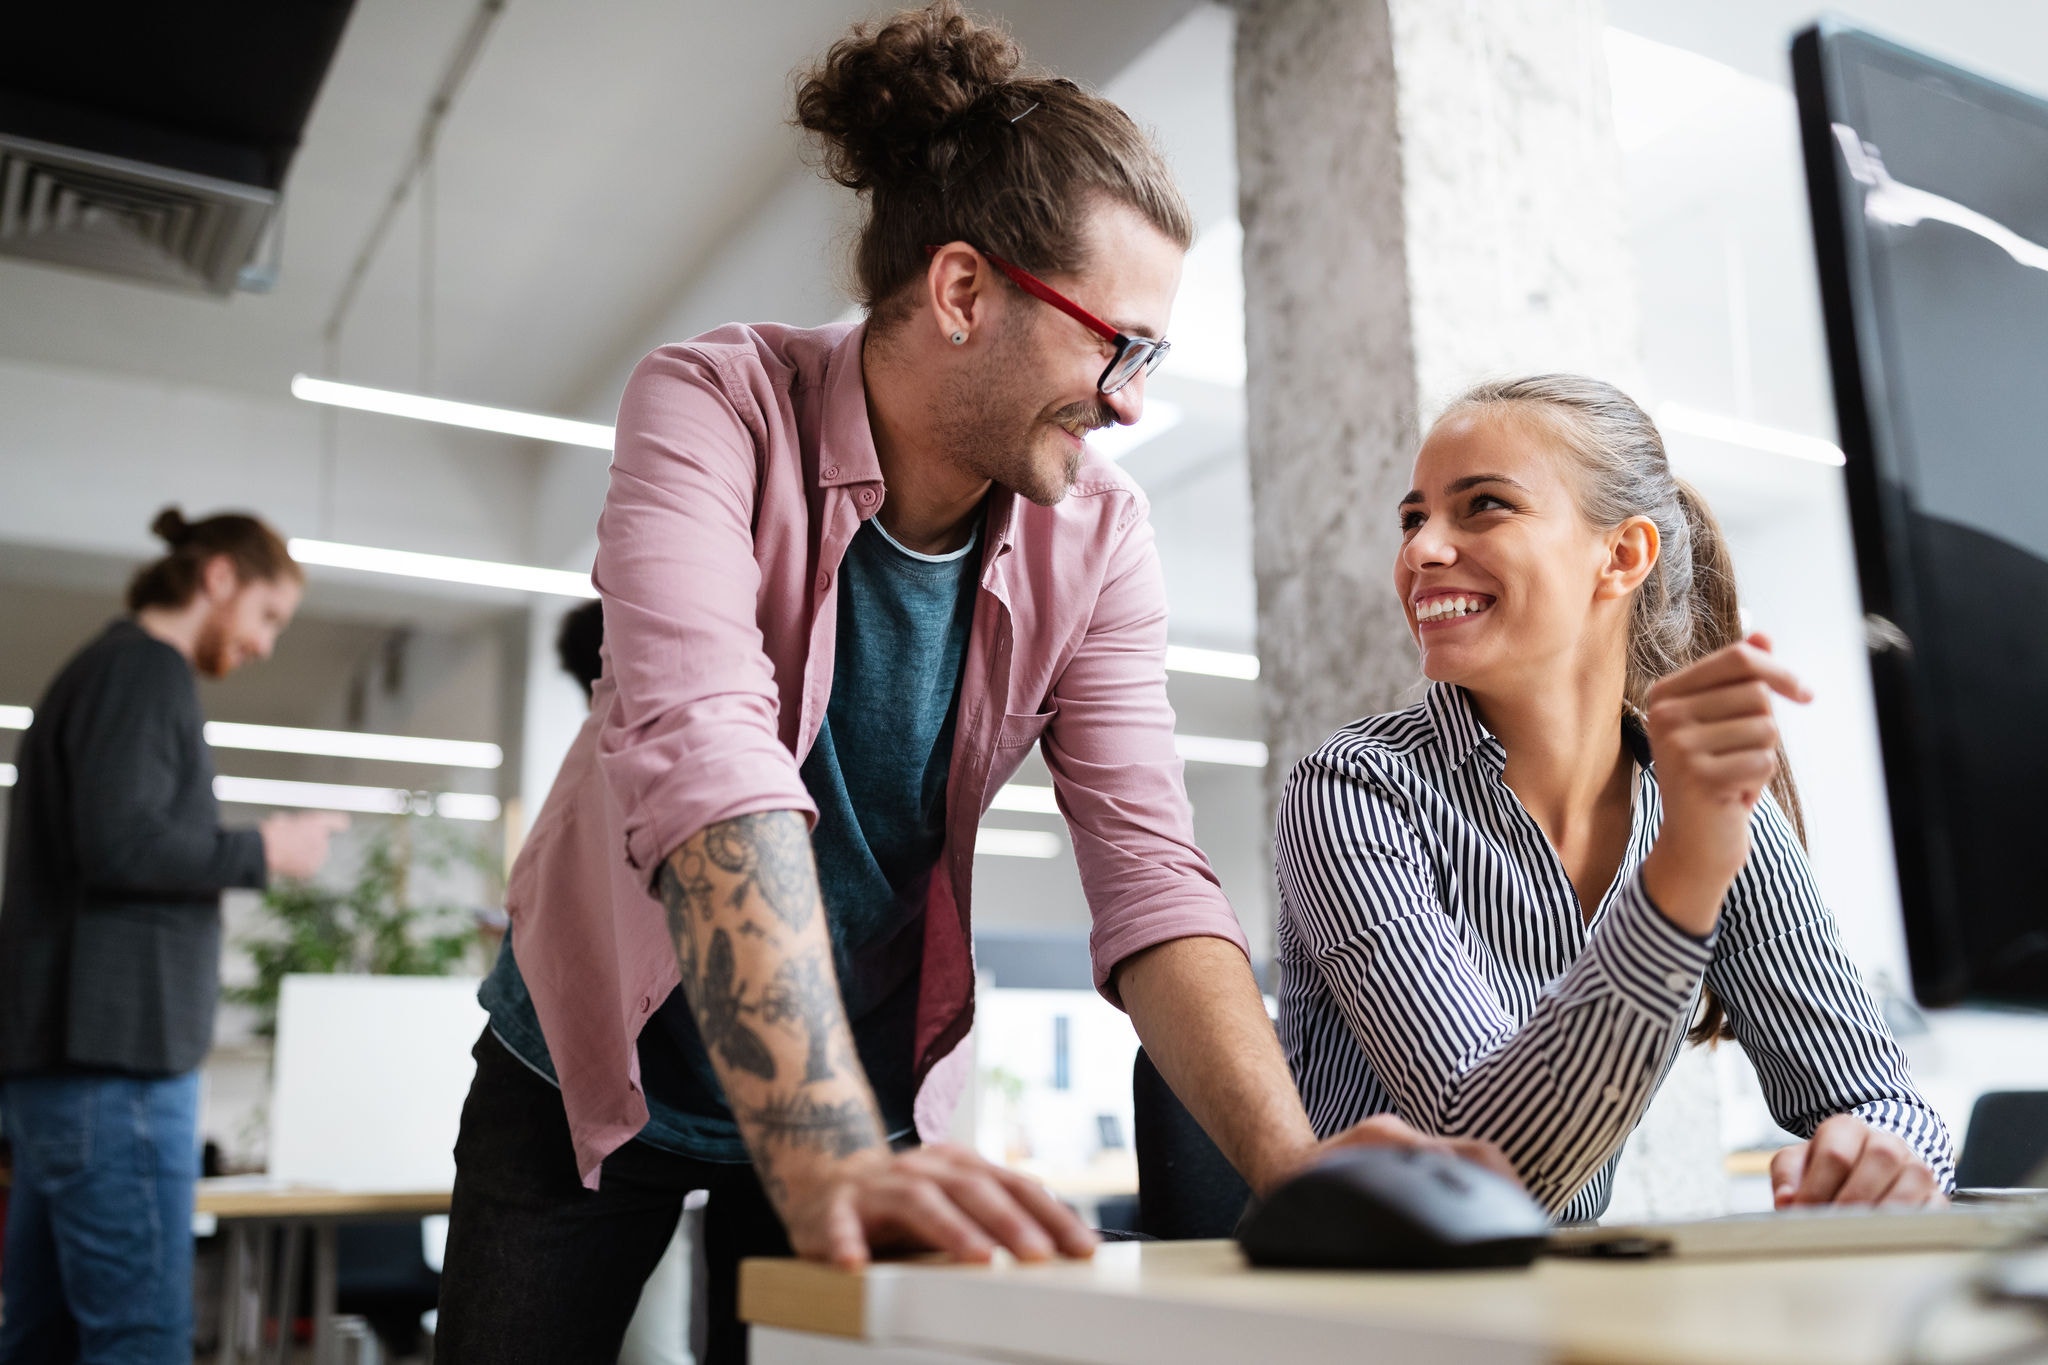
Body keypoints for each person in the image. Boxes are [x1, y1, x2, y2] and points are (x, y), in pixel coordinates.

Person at [435, 5, 1500, 1361]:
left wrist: (1297, 1168)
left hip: (860, 1071)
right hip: (594, 1059)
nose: (1128, 397)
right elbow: (704, 751)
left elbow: (1152, 874)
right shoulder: (713, 403)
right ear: (960, 293)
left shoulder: (1099, 533)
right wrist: (814, 1146)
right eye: (1117, 342)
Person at [1273, 375, 1955, 1222]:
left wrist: (1883, 1154)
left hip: (1553, 1309)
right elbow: (1485, 1159)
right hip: (1356, 1316)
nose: (1420, 550)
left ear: (1623, 556)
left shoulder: (1696, 807)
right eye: (1413, 519)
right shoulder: (1353, 788)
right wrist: (1683, 875)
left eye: (1482, 505)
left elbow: (1884, 1099)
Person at [0, 506, 345, 1362]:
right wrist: (266, 847)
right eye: (267, 616)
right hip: (116, 1076)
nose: (266, 644)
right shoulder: (144, 673)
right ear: (218, 576)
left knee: (45, 1338)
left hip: (73, 1074)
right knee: (140, 1340)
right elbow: (122, 841)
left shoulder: (106, 672)